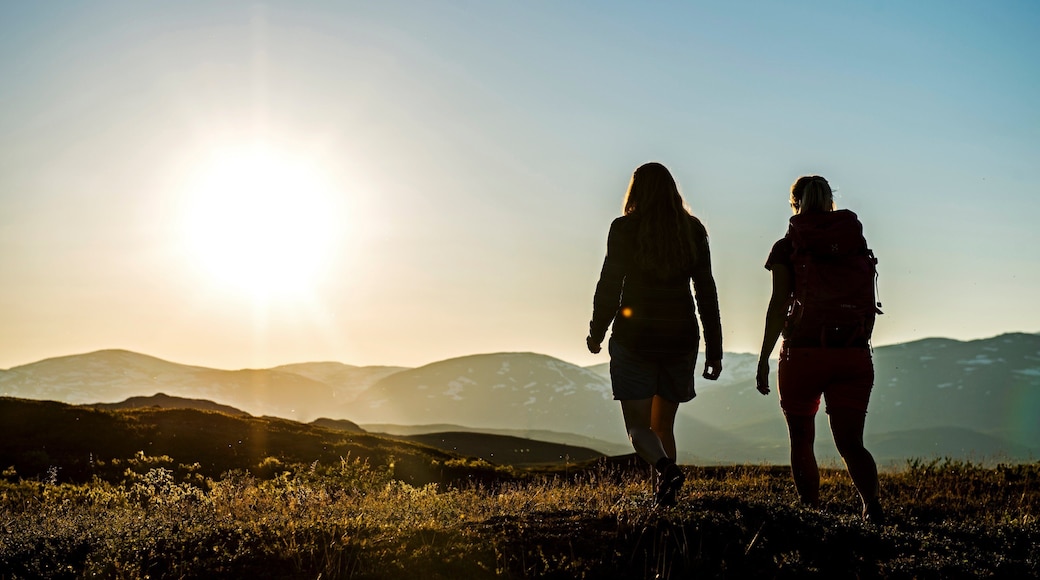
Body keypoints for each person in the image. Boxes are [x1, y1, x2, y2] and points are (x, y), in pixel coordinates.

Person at [587, 161, 723, 507]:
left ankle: (666, 471)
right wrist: (715, 348)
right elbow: (706, 291)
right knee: (664, 426)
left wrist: (597, 331)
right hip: (680, 338)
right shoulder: (692, 231)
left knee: (639, 429)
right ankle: (665, 500)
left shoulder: (624, 229)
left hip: (635, 339)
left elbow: (609, 285)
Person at [755, 175, 884, 523]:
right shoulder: (854, 243)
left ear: (794, 201)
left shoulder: (788, 246)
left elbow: (778, 303)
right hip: (853, 352)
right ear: (830, 200)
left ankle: (811, 514)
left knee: (802, 440)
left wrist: (764, 356)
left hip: (804, 353)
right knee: (851, 443)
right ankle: (871, 507)